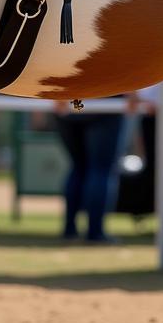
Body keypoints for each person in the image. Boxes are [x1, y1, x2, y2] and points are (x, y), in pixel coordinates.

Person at [55, 104, 125, 243]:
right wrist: (133, 96)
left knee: (79, 167)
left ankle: (70, 229)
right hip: (101, 106)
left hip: (71, 106)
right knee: (100, 169)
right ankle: (95, 232)